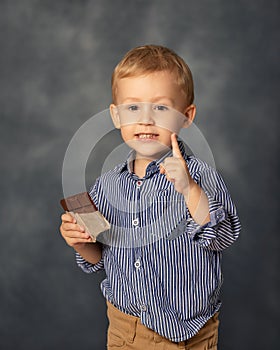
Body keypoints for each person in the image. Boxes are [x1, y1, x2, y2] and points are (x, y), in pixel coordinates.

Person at [60, 45, 241, 349]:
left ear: (186, 116)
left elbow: (222, 237)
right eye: (133, 108)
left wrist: (189, 190)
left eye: (160, 108)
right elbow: (101, 258)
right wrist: (80, 241)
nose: (145, 120)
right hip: (126, 328)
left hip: (191, 330)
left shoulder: (200, 175)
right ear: (116, 116)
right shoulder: (106, 186)